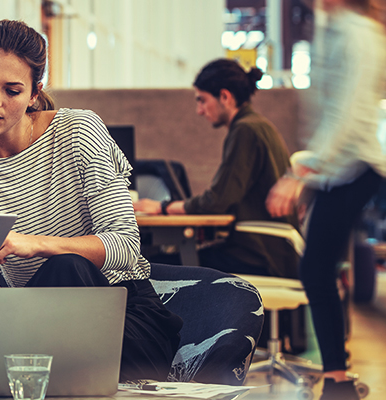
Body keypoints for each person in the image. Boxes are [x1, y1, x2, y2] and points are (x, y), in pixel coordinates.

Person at [0, 19, 183, 382]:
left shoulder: (79, 132)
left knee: (66, 268)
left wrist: (32, 245)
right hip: (31, 329)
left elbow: (124, 245)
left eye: (12, 91)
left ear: (34, 92)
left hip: (125, 325)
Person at [267, 0, 386, 398]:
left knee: (317, 269)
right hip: (339, 170)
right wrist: (314, 179)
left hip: (361, 167)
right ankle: (337, 379)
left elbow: (345, 114)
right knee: (317, 270)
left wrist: (301, 174)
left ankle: (338, 380)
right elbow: (318, 113)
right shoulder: (329, 26)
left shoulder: (358, 33)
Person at [132, 59, 300, 279]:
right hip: (273, 252)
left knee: (152, 268)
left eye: (202, 100)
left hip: (259, 256)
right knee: (169, 263)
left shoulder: (245, 131)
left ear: (225, 96)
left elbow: (216, 202)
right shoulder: (258, 126)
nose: (199, 111)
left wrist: (161, 207)